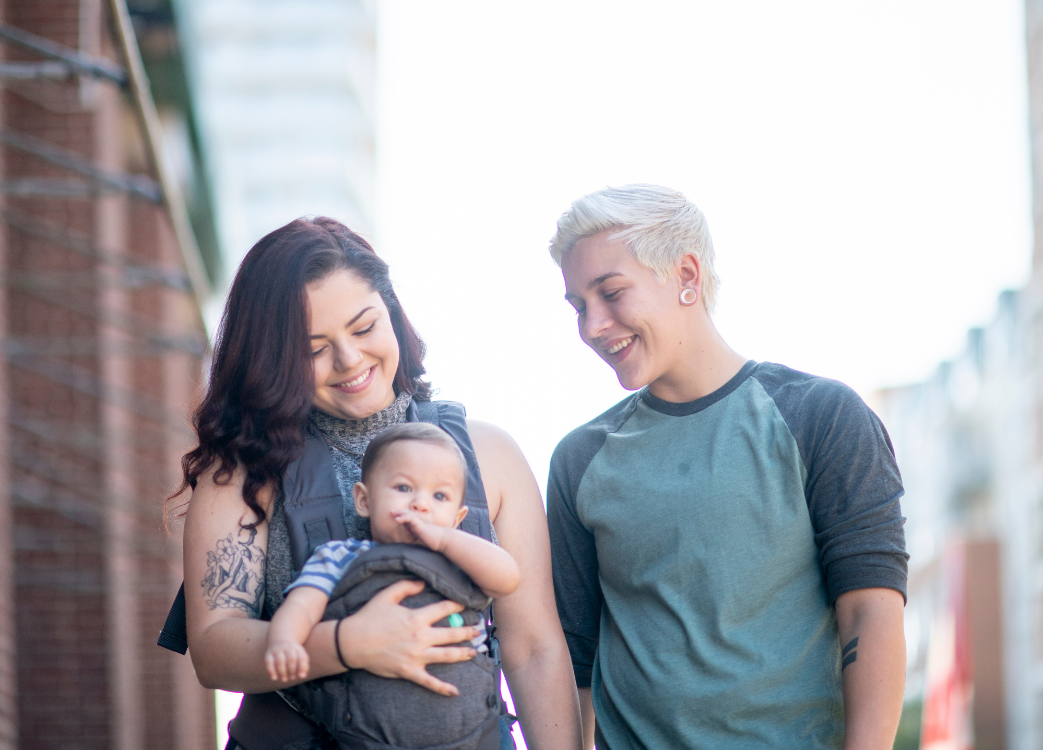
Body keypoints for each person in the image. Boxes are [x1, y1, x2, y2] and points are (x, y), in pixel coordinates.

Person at [175, 217, 580, 750]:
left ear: (392, 313)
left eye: (364, 327)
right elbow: (213, 647)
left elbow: (533, 647)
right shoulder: (242, 474)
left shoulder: (489, 453)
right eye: (314, 348)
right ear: (273, 359)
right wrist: (347, 644)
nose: (350, 360)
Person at [545, 185, 909, 750]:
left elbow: (870, 612)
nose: (592, 325)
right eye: (577, 306)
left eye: (611, 293)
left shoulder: (822, 416)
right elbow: (575, 660)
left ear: (687, 275)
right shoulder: (579, 460)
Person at [263, 423, 520, 749]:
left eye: (439, 496)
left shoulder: (464, 560)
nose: (420, 504)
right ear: (364, 501)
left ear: (458, 518)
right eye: (403, 488)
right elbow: (302, 604)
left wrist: (446, 540)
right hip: (369, 734)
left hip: (474, 732)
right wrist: (284, 639)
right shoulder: (340, 556)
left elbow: (508, 578)